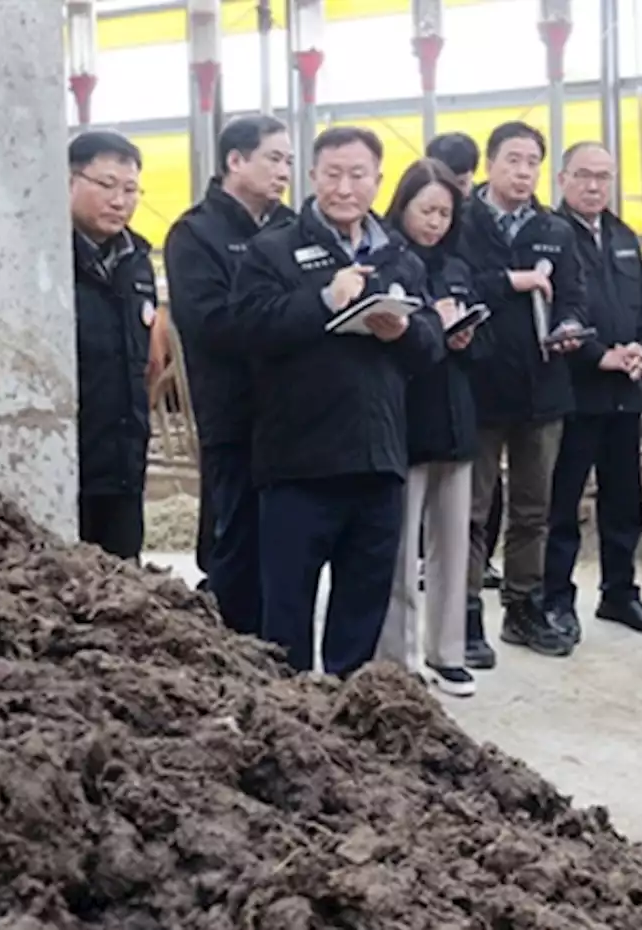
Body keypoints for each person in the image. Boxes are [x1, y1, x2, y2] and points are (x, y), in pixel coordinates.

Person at [226, 126, 454, 677]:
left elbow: (429, 348)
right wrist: (325, 299)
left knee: (363, 605)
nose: (344, 187)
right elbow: (250, 329)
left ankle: (347, 712)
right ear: (312, 177)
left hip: (377, 461)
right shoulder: (272, 250)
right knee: (287, 611)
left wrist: (398, 332)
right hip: (298, 463)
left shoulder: (399, 258)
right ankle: (289, 714)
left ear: (378, 181)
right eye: (332, 174)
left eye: (358, 175)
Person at [456, 120, 589, 661]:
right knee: (471, 509)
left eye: (532, 161)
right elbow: (454, 282)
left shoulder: (555, 230)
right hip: (479, 388)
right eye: (513, 159)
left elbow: (575, 294)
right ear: (490, 164)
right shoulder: (461, 221)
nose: (523, 170)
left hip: (543, 388)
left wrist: (570, 327)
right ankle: (463, 614)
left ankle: (523, 606)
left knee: (535, 507)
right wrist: (513, 281)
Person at [164, 115, 295, 636]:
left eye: (288, 160)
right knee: (235, 541)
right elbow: (211, 323)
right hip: (234, 413)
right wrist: (291, 317)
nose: (284, 171)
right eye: (273, 158)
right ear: (235, 161)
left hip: (294, 416)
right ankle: (236, 645)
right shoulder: (195, 233)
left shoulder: (292, 228)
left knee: (283, 545)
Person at [544, 141, 642, 645]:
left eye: (603, 176)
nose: (594, 186)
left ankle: (620, 592)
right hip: (574, 391)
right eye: (584, 175)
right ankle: (554, 599)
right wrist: (598, 354)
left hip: (625, 392)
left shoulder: (622, 235)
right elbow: (556, 313)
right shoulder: (550, 235)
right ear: (562, 179)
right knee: (563, 502)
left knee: (624, 500)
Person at [377, 157, 485, 697]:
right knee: (400, 543)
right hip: (406, 413)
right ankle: (399, 655)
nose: (436, 221)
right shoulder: (387, 261)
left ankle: (449, 650)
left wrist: (463, 333)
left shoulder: (458, 265)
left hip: (457, 412)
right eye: (427, 209)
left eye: (445, 211)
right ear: (403, 206)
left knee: (453, 537)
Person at [69, 130, 164, 561]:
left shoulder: (137, 262)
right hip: (70, 465)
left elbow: (149, 366)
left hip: (125, 466)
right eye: (106, 185)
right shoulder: (48, 259)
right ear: (69, 180)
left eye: (130, 190)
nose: (119, 200)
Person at [427, 132, 505, 596]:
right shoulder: (404, 246)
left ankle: (476, 575)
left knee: (481, 486)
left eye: (458, 183)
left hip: (475, 380)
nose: (442, 211)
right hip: (425, 390)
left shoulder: (473, 221)